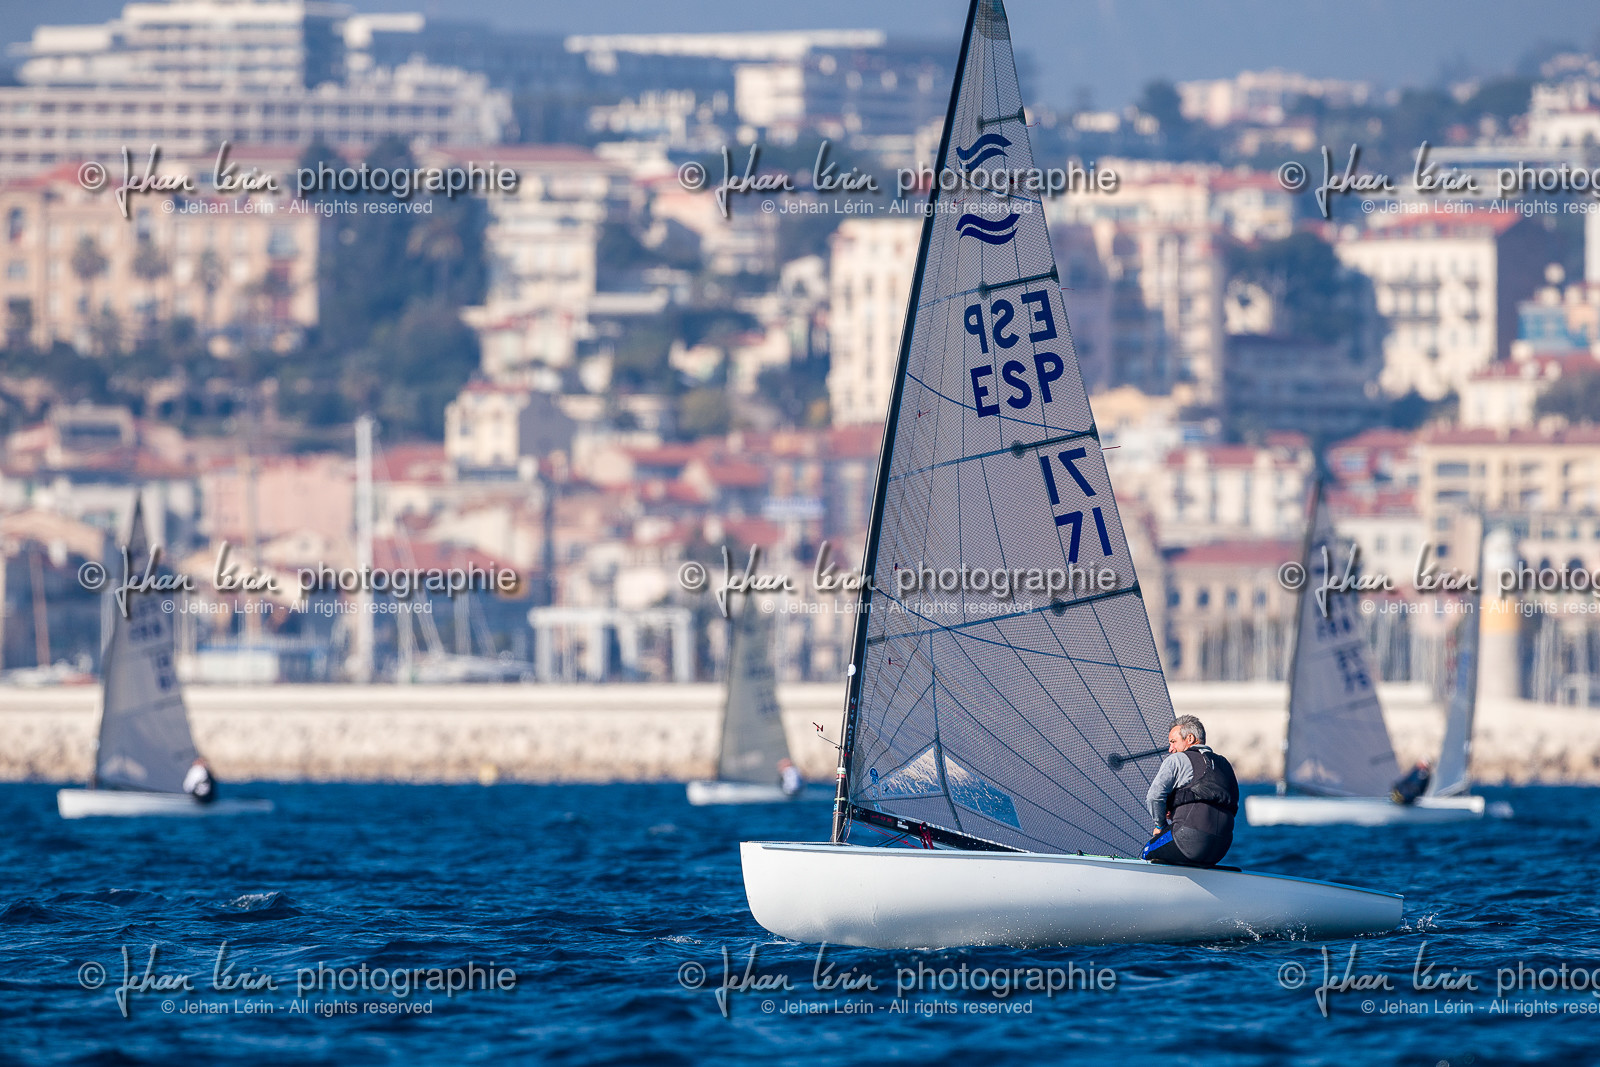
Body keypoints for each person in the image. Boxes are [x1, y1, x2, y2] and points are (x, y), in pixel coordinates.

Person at [1142, 715, 1238, 868]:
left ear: (1190, 738)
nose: (1170, 749)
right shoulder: (1225, 765)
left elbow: (1154, 797)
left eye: (1173, 742)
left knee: (1148, 851)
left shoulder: (1177, 759)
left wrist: (1160, 825)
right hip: (1221, 848)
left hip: (1189, 840)